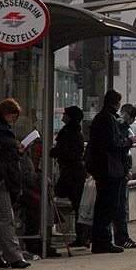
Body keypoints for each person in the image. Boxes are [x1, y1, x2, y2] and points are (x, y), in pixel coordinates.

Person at [0, 98, 30, 269]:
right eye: (12, 115)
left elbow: (5, 153)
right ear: (4, 113)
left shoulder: (2, 128)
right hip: (0, 179)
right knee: (6, 217)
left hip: (5, 176)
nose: (13, 118)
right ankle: (14, 256)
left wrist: (19, 152)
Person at [86, 89, 132, 254]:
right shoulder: (109, 119)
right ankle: (102, 241)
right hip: (109, 168)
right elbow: (115, 142)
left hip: (101, 167)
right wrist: (129, 141)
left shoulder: (100, 117)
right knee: (107, 206)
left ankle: (101, 240)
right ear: (116, 103)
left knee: (104, 204)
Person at [50, 106, 90, 248]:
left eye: (65, 114)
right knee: (77, 204)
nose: (63, 116)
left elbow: (67, 152)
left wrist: (53, 151)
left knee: (75, 202)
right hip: (74, 172)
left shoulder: (69, 133)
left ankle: (83, 235)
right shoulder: (73, 132)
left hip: (72, 173)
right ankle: (82, 235)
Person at [19, 139, 60, 257]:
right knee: (37, 203)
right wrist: (40, 178)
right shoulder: (23, 158)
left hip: (29, 187)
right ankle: (33, 239)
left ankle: (41, 237)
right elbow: (25, 176)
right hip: (23, 188)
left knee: (43, 203)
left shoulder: (32, 160)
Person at [113, 105, 136, 249]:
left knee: (117, 206)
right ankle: (122, 237)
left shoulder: (118, 125)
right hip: (120, 173)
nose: (132, 121)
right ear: (129, 116)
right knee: (120, 207)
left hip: (118, 171)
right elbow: (121, 151)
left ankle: (120, 237)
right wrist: (126, 170)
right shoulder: (121, 127)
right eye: (133, 118)